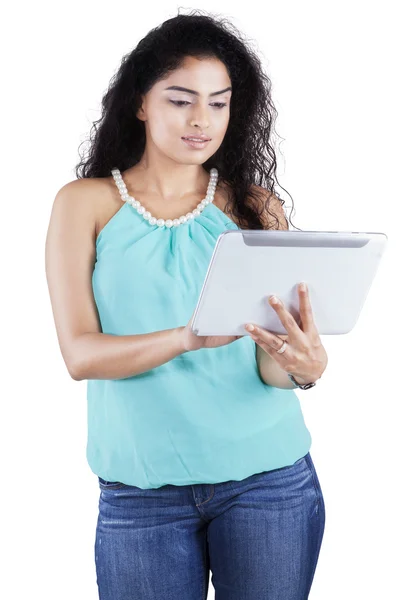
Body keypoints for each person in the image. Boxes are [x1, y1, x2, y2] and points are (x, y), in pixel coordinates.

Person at [45, 9, 328, 600]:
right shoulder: (85, 204)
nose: (202, 120)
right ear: (140, 104)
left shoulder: (256, 207)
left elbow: (270, 367)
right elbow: (79, 354)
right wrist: (187, 337)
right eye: (180, 100)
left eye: (219, 103)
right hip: (141, 495)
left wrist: (303, 367)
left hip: (268, 483)